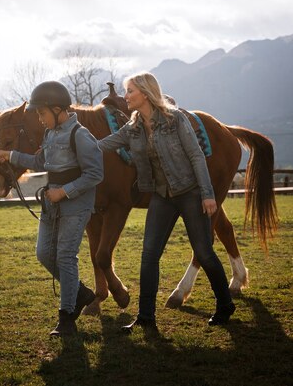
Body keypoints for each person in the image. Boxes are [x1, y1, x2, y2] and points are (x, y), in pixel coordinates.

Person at [98, 72, 235, 333]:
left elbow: (196, 156)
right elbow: (103, 145)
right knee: (149, 256)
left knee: (204, 252)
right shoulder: (134, 127)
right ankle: (146, 316)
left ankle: (225, 304)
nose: (124, 96)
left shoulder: (175, 119)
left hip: (190, 193)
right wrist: (72, 144)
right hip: (162, 196)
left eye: (129, 91)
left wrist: (207, 194)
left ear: (145, 94)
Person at [0, 81, 103, 336]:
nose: (39, 119)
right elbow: (41, 161)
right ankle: (82, 293)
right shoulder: (50, 135)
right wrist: (10, 156)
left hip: (75, 205)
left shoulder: (81, 135)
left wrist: (64, 191)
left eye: (41, 113)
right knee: (43, 254)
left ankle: (66, 318)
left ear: (56, 109)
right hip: (52, 203)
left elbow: (95, 174)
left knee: (65, 257)